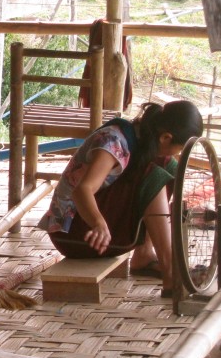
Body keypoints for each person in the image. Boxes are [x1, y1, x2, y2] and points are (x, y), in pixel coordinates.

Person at [38, 100, 204, 296]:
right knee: (154, 177)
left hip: (95, 231)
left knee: (169, 167)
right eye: (178, 147)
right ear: (166, 137)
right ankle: (170, 274)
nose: (177, 153)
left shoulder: (142, 136)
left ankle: (144, 255)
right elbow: (82, 190)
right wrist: (98, 223)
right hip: (77, 234)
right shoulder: (113, 141)